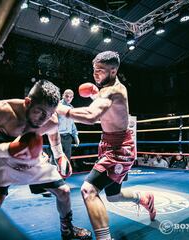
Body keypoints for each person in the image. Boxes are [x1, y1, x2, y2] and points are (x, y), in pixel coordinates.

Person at [0, 80, 91, 240]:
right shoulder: (3, 111)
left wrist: (60, 156)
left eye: (49, 113)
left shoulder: (51, 119)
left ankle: (67, 230)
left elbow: (54, 139)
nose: (44, 118)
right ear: (28, 102)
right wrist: (9, 150)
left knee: (64, 192)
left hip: (32, 157)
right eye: (40, 112)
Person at [57, 51, 156, 240]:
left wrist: (58, 108)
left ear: (113, 71)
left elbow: (91, 116)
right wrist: (95, 96)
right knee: (113, 195)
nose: (95, 75)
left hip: (120, 149)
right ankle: (144, 198)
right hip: (108, 144)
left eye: (100, 71)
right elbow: (107, 111)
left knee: (88, 190)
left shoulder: (114, 90)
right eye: (94, 70)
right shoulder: (106, 90)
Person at [57, 89, 80, 172]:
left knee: (67, 158)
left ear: (72, 98)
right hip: (57, 136)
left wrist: (75, 136)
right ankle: (55, 179)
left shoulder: (71, 108)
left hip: (68, 137)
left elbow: (72, 123)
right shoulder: (57, 106)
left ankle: (63, 178)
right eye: (67, 96)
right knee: (56, 158)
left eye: (70, 97)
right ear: (63, 95)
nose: (68, 98)